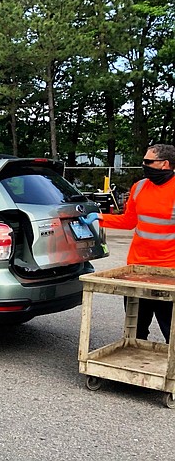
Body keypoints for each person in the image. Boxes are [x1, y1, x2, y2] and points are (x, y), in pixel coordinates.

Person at [82, 143, 174, 343]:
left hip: (168, 273)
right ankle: (135, 370)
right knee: (136, 329)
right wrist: (99, 217)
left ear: (164, 164)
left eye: (149, 161)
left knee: (171, 330)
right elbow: (128, 221)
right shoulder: (139, 187)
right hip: (137, 269)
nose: (144, 165)